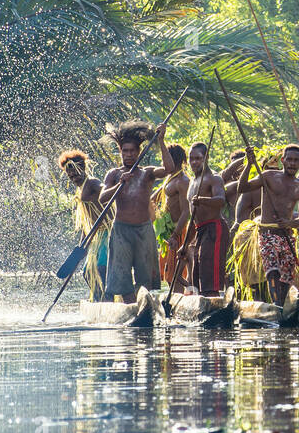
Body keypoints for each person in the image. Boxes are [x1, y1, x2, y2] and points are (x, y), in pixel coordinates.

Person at [97, 121, 175, 301]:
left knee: (145, 277)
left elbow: (169, 169)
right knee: (122, 278)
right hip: (121, 231)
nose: (129, 154)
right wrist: (120, 183)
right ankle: (131, 307)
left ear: (138, 152)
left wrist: (161, 141)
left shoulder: (147, 173)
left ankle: (143, 306)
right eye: (125, 151)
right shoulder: (114, 174)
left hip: (144, 230)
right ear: (121, 152)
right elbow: (102, 198)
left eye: (132, 151)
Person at [238, 143, 299, 307]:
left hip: (286, 235)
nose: (292, 163)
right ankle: (277, 305)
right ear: (283, 160)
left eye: (295, 160)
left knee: (286, 277)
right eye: (289, 160)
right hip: (267, 233)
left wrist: (289, 223)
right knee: (273, 271)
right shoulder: (269, 176)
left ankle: (281, 305)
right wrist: (249, 164)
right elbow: (242, 187)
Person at [59, 149, 110, 299]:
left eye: (75, 173)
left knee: (101, 268)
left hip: (108, 231)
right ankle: (99, 299)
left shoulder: (93, 183)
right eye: (70, 176)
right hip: (95, 235)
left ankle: (109, 299)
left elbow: (106, 191)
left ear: (82, 168)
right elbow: (85, 223)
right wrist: (82, 247)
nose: (73, 178)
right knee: (87, 271)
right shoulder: (79, 190)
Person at [179, 141, 228, 296]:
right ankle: (202, 301)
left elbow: (221, 200)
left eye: (198, 158)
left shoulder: (214, 178)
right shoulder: (192, 182)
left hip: (214, 228)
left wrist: (203, 200)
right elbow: (193, 218)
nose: (194, 162)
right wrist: (185, 244)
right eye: (191, 158)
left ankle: (213, 302)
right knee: (197, 272)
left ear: (205, 158)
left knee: (209, 272)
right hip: (200, 231)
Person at [156, 143, 189, 289]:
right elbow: (153, 198)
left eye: (165, 158)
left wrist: (175, 235)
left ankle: (182, 299)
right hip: (169, 232)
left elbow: (186, 212)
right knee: (169, 275)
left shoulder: (183, 181)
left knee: (176, 275)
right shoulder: (169, 178)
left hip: (178, 231)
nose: (163, 162)